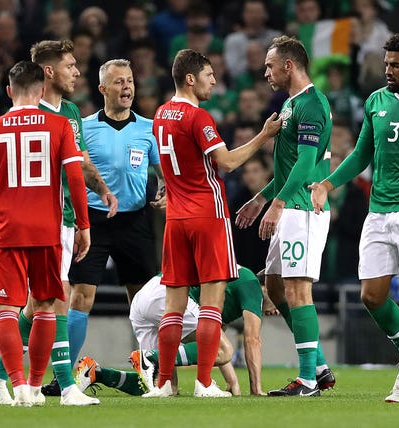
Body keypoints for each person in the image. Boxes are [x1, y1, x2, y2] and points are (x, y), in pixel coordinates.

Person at [309, 32, 399, 403]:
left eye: (395, 64)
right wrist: (327, 184)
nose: (388, 70)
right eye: (386, 63)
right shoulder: (376, 100)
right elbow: (360, 155)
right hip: (379, 211)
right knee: (371, 296)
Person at [0, 39, 115, 406]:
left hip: (66, 218)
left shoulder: (69, 111)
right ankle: (65, 386)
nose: (77, 72)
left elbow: (81, 162)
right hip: (40, 220)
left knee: (39, 304)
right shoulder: (31, 114)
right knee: (55, 300)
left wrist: (101, 189)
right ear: (48, 73)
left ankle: (0, 377)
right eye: (70, 65)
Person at [143, 48, 281, 398]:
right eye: (208, 75)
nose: (215, 80)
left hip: (175, 218)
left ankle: (162, 384)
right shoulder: (198, 117)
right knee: (210, 305)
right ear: (190, 78)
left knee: (174, 306)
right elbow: (229, 162)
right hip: (207, 214)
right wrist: (264, 135)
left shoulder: (160, 114)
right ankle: (205, 382)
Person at [0, 60, 92, 407]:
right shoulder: (60, 125)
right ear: (41, 90)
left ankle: (18, 384)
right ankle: (34, 386)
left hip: (8, 231)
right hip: (47, 230)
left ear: (9, 91)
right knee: (47, 306)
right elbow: (75, 179)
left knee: (8, 308)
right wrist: (83, 224)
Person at [235, 35, 334, 397]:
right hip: (288, 205)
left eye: (269, 66)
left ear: (288, 66)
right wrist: (261, 198)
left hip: (302, 208)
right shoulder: (293, 105)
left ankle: (308, 379)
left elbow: (307, 165)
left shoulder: (311, 105)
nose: (266, 73)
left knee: (297, 290)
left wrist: (277, 205)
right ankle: (320, 366)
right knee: (275, 287)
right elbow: (290, 166)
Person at [67, 58, 166, 371]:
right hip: (94, 221)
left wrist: (166, 190)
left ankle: (149, 371)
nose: (127, 87)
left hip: (135, 220)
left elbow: (164, 172)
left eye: (130, 81)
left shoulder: (149, 129)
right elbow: (76, 171)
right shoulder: (85, 127)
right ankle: (64, 374)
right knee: (81, 296)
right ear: (103, 89)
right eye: (119, 82)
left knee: (142, 301)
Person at [76, 266, 270, 396]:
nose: (277, 308)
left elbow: (213, 336)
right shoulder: (252, 284)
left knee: (163, 386)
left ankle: (96, 373)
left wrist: (232, 382)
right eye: (278, 298)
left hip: (146, 296)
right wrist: (256, 389)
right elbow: (252, 339)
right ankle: (152, 357)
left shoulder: (234, 286)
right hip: (170, 295)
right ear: (266, 285)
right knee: (225, 351)